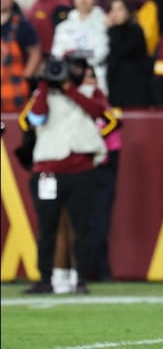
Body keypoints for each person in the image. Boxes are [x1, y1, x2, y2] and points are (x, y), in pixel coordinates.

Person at [15, 53, 115, 294]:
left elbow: (98, 112)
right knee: (46, 228)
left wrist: (69, 89)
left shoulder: (91, 92)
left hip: (81, 170)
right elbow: (35, 118)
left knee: (82, 228)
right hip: (47, 170)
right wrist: (43, 84)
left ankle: (80, 278)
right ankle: (45, 278)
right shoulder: (42, 94)